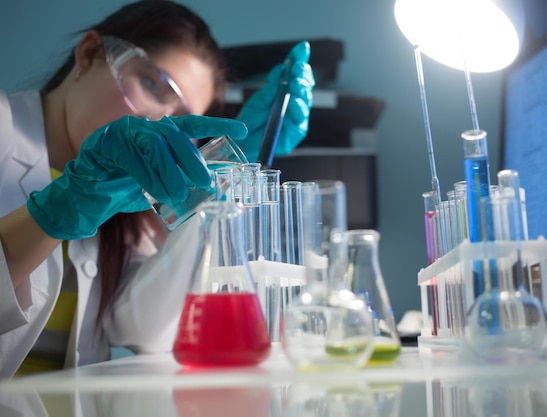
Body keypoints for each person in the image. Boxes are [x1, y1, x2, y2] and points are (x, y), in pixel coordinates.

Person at [0, 0, 315, 378]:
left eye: (179, 119)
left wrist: (222, 174)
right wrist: (57, 210)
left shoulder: (128, 203)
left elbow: (143, 330)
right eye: (153, 85)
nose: (158, 125)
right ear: (88, 54)